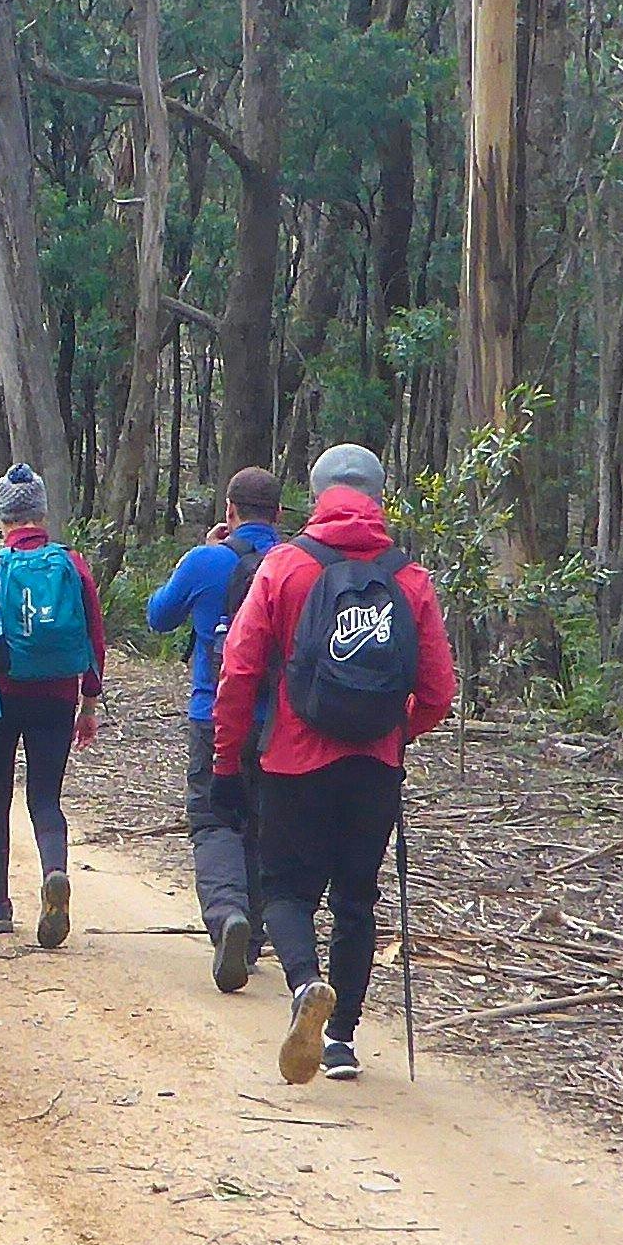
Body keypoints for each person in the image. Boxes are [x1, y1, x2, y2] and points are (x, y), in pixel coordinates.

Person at [208, 442, 455, 1084]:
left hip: (294, 758)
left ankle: (303, 985)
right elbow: (439, 691)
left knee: (287, 887)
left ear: (316, 496)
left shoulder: (286, 566)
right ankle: (342, 1040)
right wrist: (394, 733)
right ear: (379, 497)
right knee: (356, 896)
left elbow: (238, 668)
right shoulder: (409, 577)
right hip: (375, 762)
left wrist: (230, 756)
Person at [0, 465, 105, 946]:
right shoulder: (73, 565)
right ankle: (54, 871)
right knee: (45, 798)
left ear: (2, 517)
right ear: (42, 513)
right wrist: (89, 701)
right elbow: (94, 635)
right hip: (56, 696)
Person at [141, 466, 284, 987]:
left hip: (214, 714)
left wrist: (201, 553)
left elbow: (158, 616)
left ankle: (227, 916)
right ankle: (258, 934)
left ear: (230, 511)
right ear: (280, 515)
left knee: (213, 819)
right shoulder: (296, 566)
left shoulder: (206, 561)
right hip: (279, 723)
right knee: (264, 821)